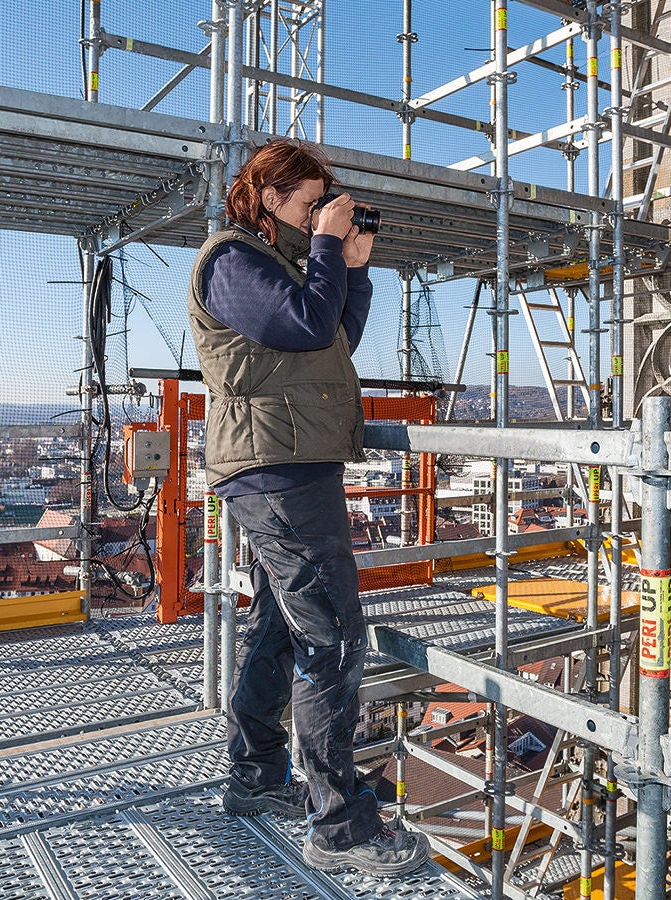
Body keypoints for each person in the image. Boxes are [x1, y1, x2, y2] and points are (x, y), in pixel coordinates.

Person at [187, 138, 430, 878]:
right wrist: (327, 245)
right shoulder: (231, 259)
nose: (320, 211)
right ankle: (339, 827)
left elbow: (332, 338)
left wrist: (350, 270)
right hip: (278, 470)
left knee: (280, 626)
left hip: (288, 464)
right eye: (308, 200)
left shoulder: (285, 264)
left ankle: (257, 775)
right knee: (331, 638)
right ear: (265, 197)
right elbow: (300, 324)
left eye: (325, 200)